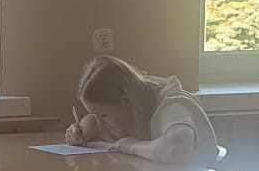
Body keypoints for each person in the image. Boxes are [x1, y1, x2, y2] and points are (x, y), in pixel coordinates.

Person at [63, 55, 219, 165]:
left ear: (126, 101)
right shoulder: (134, 107)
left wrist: (130, 146)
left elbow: (176, 148)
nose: (100, 122)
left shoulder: (172, 105)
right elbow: (93, 121)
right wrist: (79, 133)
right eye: (94, 114)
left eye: (103, 115)